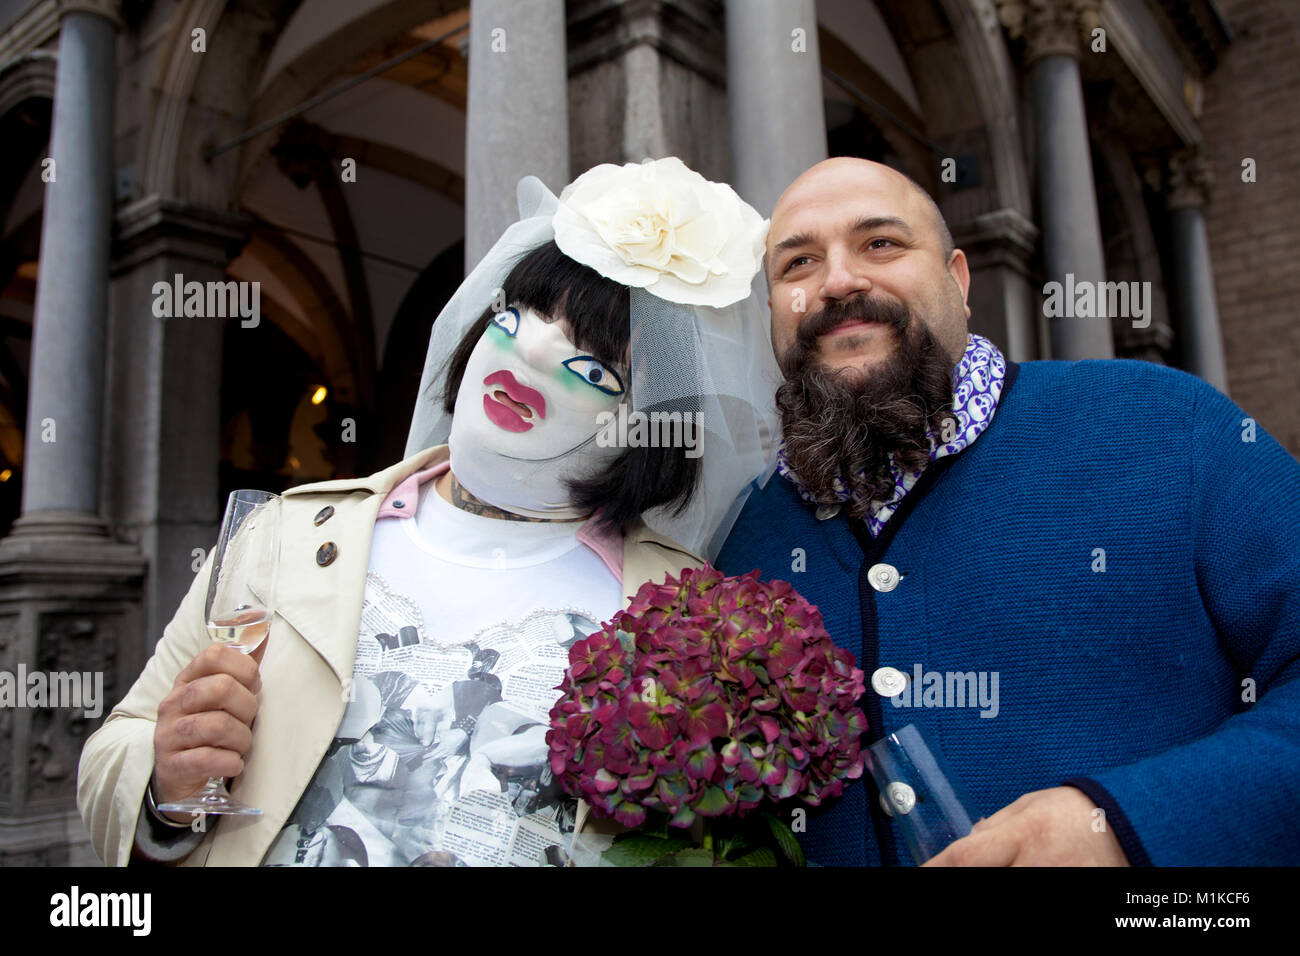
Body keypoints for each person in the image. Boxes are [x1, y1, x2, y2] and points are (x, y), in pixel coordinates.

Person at [77, 157, 778, 867]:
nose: (528, 357)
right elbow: (123, 743)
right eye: (514, 319)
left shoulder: (681, 610)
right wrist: (166, 790)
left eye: (592, 370)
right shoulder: (285, 534)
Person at [715, 156, 1300, 867]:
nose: (838, 282)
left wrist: (1129, 824)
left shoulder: (1167, 426)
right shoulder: (742, 542)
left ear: (959, 281)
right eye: (798, 263)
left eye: (881, 244)